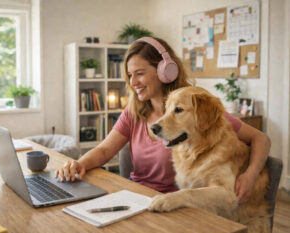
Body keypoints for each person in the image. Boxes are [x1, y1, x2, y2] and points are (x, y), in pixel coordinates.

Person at [55, 37, 271, 204]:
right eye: (130, 75)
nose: (133, 82)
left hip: (180, 207)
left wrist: (250, 175)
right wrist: (78, 164)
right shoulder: (134, 111)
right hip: (137, 199)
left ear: (166, 70)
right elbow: (104, 151)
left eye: (139, 73)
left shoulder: (195, 109)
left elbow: (261, 139)